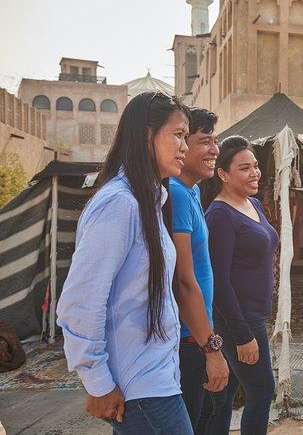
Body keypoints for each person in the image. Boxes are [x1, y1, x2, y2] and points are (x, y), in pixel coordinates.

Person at [57, 92, 194, 434]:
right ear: (148, 135)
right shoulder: (119, 204)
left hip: (154, 379)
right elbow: (81, 301)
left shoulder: (147, 201)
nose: (185, 147)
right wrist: (97, 380)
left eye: (186, 137)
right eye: (178, 134)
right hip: (142, 389)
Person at [201, 136, 278, 435]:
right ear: (223, 173)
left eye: (256, 166)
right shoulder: (219, 216)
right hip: (238, 319)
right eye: (245, 168)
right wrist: (243, 334)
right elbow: (218, 281)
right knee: (261, 391)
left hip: (254, 315)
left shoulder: (253, 204)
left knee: (225, 397)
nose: (255, 173)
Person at [170, 107, 229, 433]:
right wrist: (210, 348)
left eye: (215, 141)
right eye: (205, 141)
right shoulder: (176, 195)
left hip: (197, 333)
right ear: (182, 146)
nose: (214, 150)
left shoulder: (191, 191)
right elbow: (184, 281)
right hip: (186, 340)